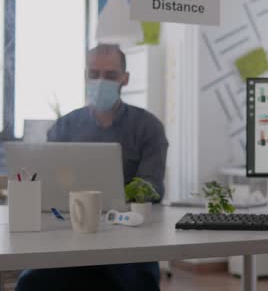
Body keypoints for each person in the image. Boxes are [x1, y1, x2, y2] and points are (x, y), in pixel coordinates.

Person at [16, 44, 169, 291]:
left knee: (140, 284)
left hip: (128, 244)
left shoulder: (148, 127)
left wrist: (121, 203)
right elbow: (48, 190)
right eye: (94, 74)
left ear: (125, 79)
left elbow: (153, 188)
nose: (101, 81)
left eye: (110, 75)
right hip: (70, 239)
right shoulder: (64, 126)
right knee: (30, 283)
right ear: (85, 75)